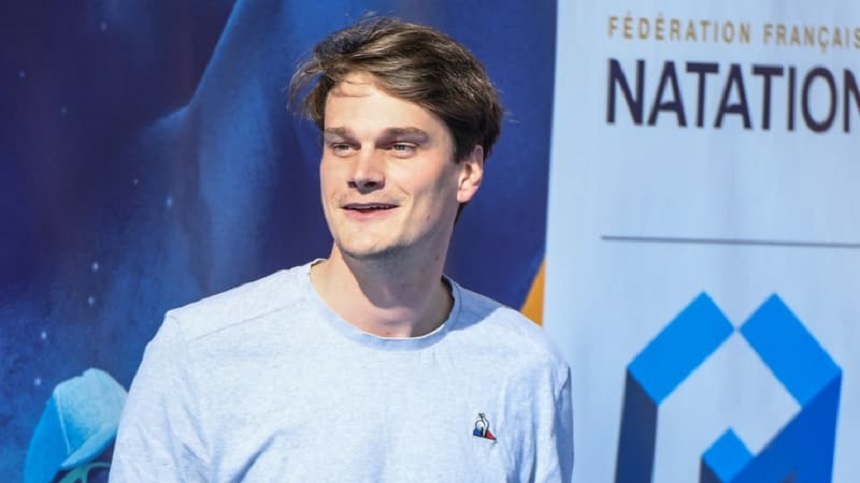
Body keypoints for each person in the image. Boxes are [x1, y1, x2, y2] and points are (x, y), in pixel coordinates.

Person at [110, 16, 573, 482]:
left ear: (468, 172)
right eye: (343, 146)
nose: (363, 173)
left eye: (400, 146)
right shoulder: (200, 353)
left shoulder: (525, 368)